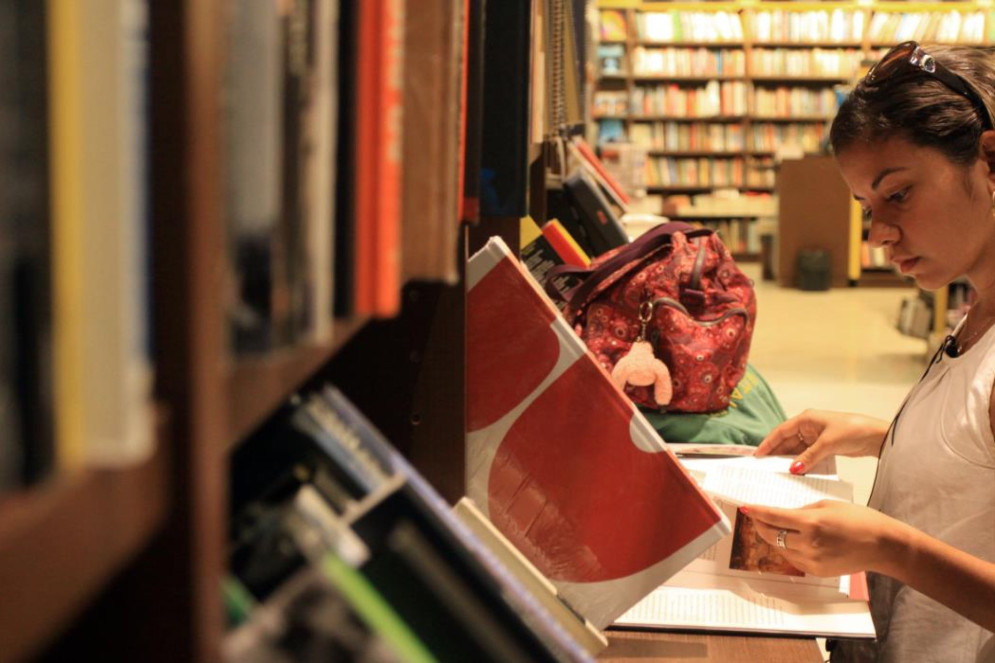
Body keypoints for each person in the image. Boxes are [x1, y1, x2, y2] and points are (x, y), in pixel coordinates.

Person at [743, 42, 995, 663]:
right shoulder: (978, 311)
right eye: (865, 207)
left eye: (899, 195)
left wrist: (892, 547)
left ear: (990, 161)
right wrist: (888, 437)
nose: (878, 233)